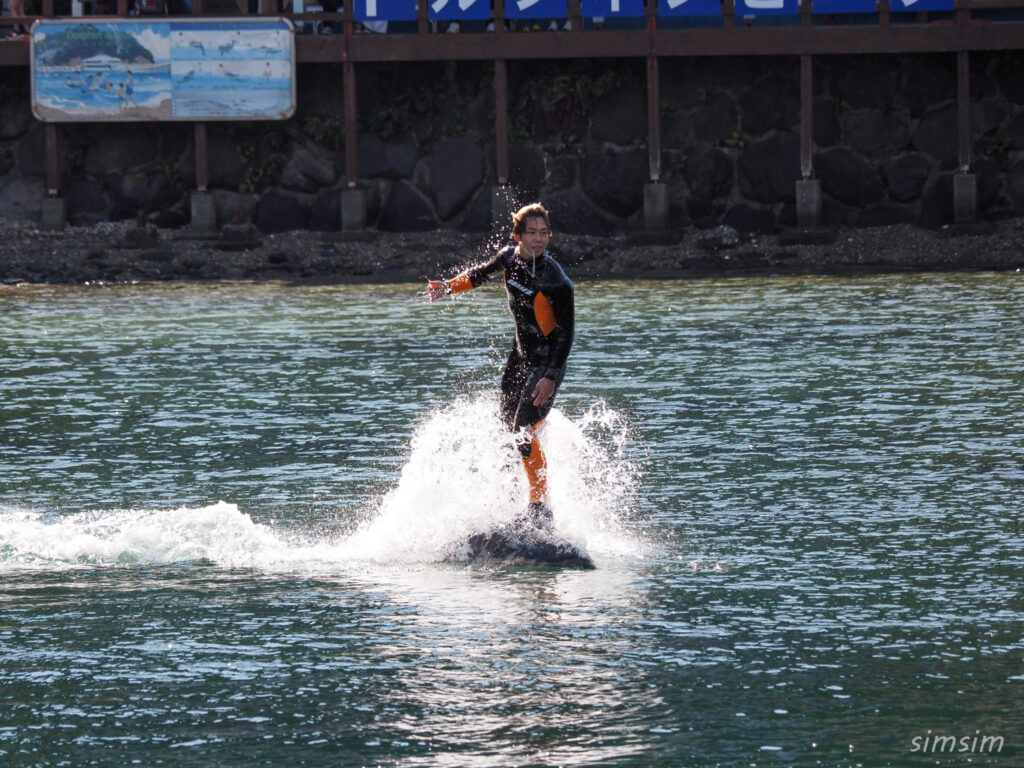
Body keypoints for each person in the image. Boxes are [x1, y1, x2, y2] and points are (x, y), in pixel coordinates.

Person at [427, 203, 574, 528]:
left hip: (547, 364)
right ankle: (509, 494)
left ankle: (540, 506)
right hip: (520, 356)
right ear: (518, 236)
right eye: (531, 233)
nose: (538, 239)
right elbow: (479, 275)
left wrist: (551, 377)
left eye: (543, 233)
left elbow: (566, 336)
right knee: (507, 426)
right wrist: (448, 286)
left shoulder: (557, 281)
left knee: (523, 429)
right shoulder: (509, 258)